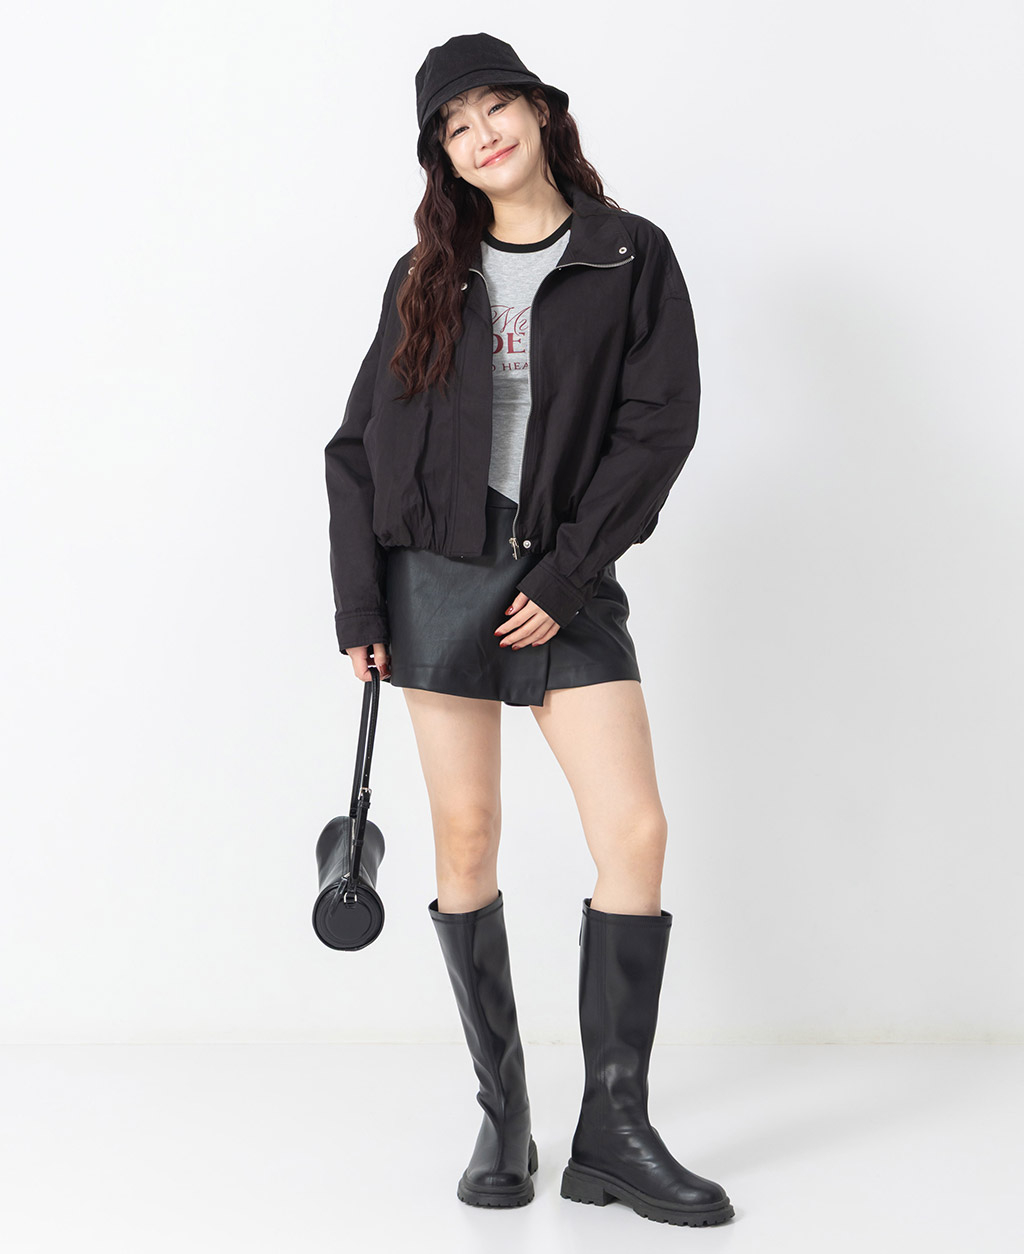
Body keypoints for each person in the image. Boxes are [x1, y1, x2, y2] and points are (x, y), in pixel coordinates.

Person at [324, 32, 735, 1228]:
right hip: (437, 575)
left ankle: (614, 1130)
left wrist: (565, 574)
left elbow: (657, 428)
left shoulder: (627, 254)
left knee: (634, 831)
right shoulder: (426, 276)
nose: (481, 135)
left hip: (566, 575)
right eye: (454, 128)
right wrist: (360, 604)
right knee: (466, 838)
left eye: (493, 107)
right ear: (443, 159)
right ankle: (502, 1112)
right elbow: (355, 449)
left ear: (541, 112)